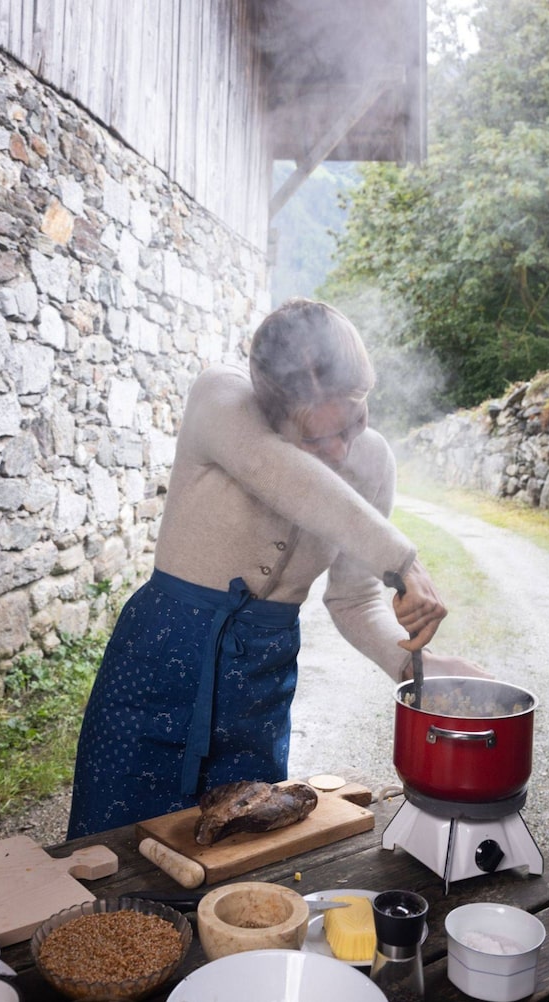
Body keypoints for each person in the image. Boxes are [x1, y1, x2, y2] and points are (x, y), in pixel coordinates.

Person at [67, 298, 482, 838]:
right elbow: (286, 475)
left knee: (243, 849)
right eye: (313, 437)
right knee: (111, 847)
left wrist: (412, 666)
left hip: (260, 680)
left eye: (354, 421)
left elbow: (354, 598)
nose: (338, 450)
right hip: (162, 653)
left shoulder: (374, 461)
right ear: (270, 410)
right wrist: (402, 559)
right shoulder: (220, 399)